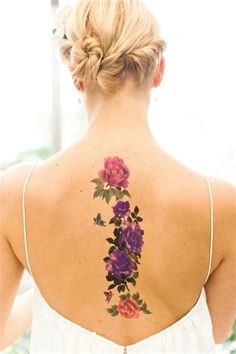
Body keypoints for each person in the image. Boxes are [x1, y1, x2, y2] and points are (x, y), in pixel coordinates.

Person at [0, 0, 235, 353]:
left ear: (77, 77)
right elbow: (216, 332)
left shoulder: (17, 195)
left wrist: (47, 295)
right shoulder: (221, 205)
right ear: (159, 71)